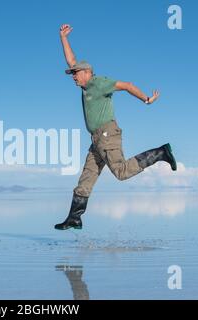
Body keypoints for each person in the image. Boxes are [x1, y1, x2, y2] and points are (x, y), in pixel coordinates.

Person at [55, 24, 177, 231]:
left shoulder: (98, 82)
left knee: (120, 172)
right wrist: (63, 38)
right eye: (72, 74)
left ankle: (161, 153)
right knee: (86, 178)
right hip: (96, 139)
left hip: (107, 134)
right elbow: (71, 60)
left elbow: (127, 85)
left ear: (87, 72)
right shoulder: (85, 86)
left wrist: (146, 99)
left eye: (76, 73)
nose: (73, 76)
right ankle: (74, 218)